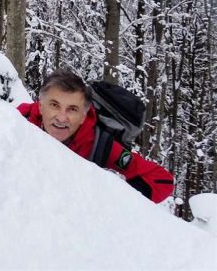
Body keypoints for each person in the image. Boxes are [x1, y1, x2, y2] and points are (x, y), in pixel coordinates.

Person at [17, 69, 174, 203]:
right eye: (54, 105)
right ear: (41, 105)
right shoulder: (15, 121)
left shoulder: (97, 144)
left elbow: (162, 181)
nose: (61, 118)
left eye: (72, 109)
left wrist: (111, 198)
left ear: (84, 116)